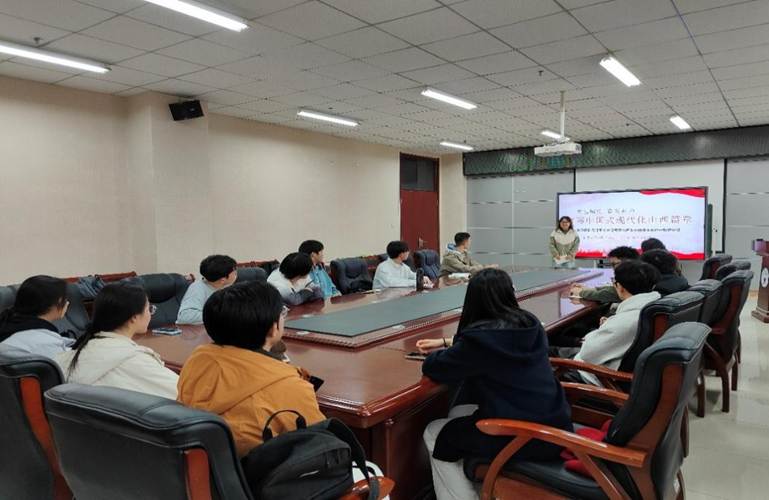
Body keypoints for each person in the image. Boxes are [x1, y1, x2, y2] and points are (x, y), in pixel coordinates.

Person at [419, 269, 573, 500]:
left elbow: (434, 367)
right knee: (458, 412)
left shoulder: (479, 342)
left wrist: (451, 347)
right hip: (555, 424)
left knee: (435, 432)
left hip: (524, 437)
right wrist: (450, 342)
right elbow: (496, 340)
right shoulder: (530, 325)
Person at [55, 283, 178, 399]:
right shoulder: (136, 360)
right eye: (149, 309)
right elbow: (184, 394)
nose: (150, 314)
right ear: (134, 317)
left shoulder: (70, 355)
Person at [568, 260, 661, 386]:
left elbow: (587, 354)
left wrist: (601, 330)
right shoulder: (652, 308)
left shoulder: (627, 320)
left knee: (550, 353)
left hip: (596, 376)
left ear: (620, 287)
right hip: (629, 371)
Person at [0, 275, 74, 358]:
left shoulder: (10, 324)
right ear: (58, 302)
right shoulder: (42, 340)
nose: (67, 303)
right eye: (65, 299)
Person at [177, 254, 237, 325]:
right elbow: (185, 317)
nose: (236, 272)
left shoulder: (227, 286)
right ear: (222, 280)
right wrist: (223, 315)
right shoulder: (197, 289)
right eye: (234, 272)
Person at [570, 246, 640, 304]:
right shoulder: (638, 274)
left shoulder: (631, 280)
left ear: (628, 263)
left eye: (614, 264)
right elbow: (612, 289)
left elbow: (607, 293)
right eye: (611, 265)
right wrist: (589, 289)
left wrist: (580, 292)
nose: (613, 268)